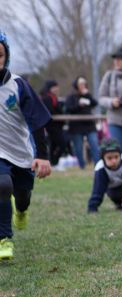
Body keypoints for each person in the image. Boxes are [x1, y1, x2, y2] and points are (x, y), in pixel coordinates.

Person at [0, 31, 52, 261]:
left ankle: (21, 209)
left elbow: (38, 122)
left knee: (22, 194)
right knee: (2, 186)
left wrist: (43, 156)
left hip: (21, 153)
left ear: (6, 57)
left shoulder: (18, 85)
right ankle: (4, 239)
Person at [65, 76, 100, 169]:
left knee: (94, 144)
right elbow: (68, 108)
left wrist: (88, 95)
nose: (83, 86)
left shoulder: (87, 95)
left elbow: (95, 103)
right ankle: (82, 166)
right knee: (78, 148)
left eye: (84, 83)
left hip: (89, 125)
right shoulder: (71, 96)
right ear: (76, 85)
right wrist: (79, 105)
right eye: (80, 84)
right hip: (76, 126)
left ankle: (98, 166)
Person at [39, 80, 66, 167]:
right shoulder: (47, 98)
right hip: (52, 126)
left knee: (54, 145)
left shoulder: (54, 98)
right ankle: (54, 161)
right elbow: (50, 111)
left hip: (57, 125)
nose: (57, 89)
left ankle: (53, 163)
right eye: (54, 87)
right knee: (62, 143)